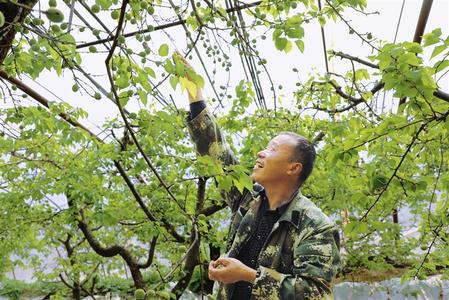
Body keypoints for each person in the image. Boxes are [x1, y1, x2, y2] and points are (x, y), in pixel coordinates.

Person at [182, 56, 341, 299]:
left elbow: (315, 293)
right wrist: (195, 93)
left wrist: (248, 275)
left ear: (293, 168)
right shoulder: (247, 199)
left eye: (273, 149)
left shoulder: (315, 226)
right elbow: (216, 155)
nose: (261, 153)